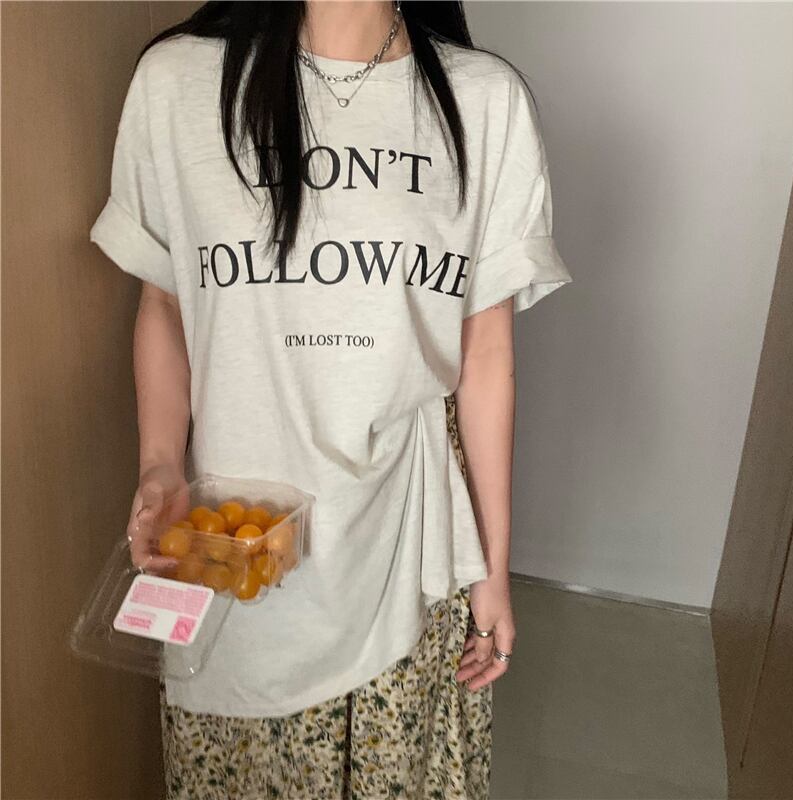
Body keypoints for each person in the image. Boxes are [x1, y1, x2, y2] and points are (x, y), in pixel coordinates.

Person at [89, 1, 572, 797]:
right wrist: (159, 465)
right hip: (235, 541)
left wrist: (492, 569)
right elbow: (165, 302)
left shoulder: (484, 101)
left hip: (406, 546)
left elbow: (486, 355)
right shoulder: (176, 84)